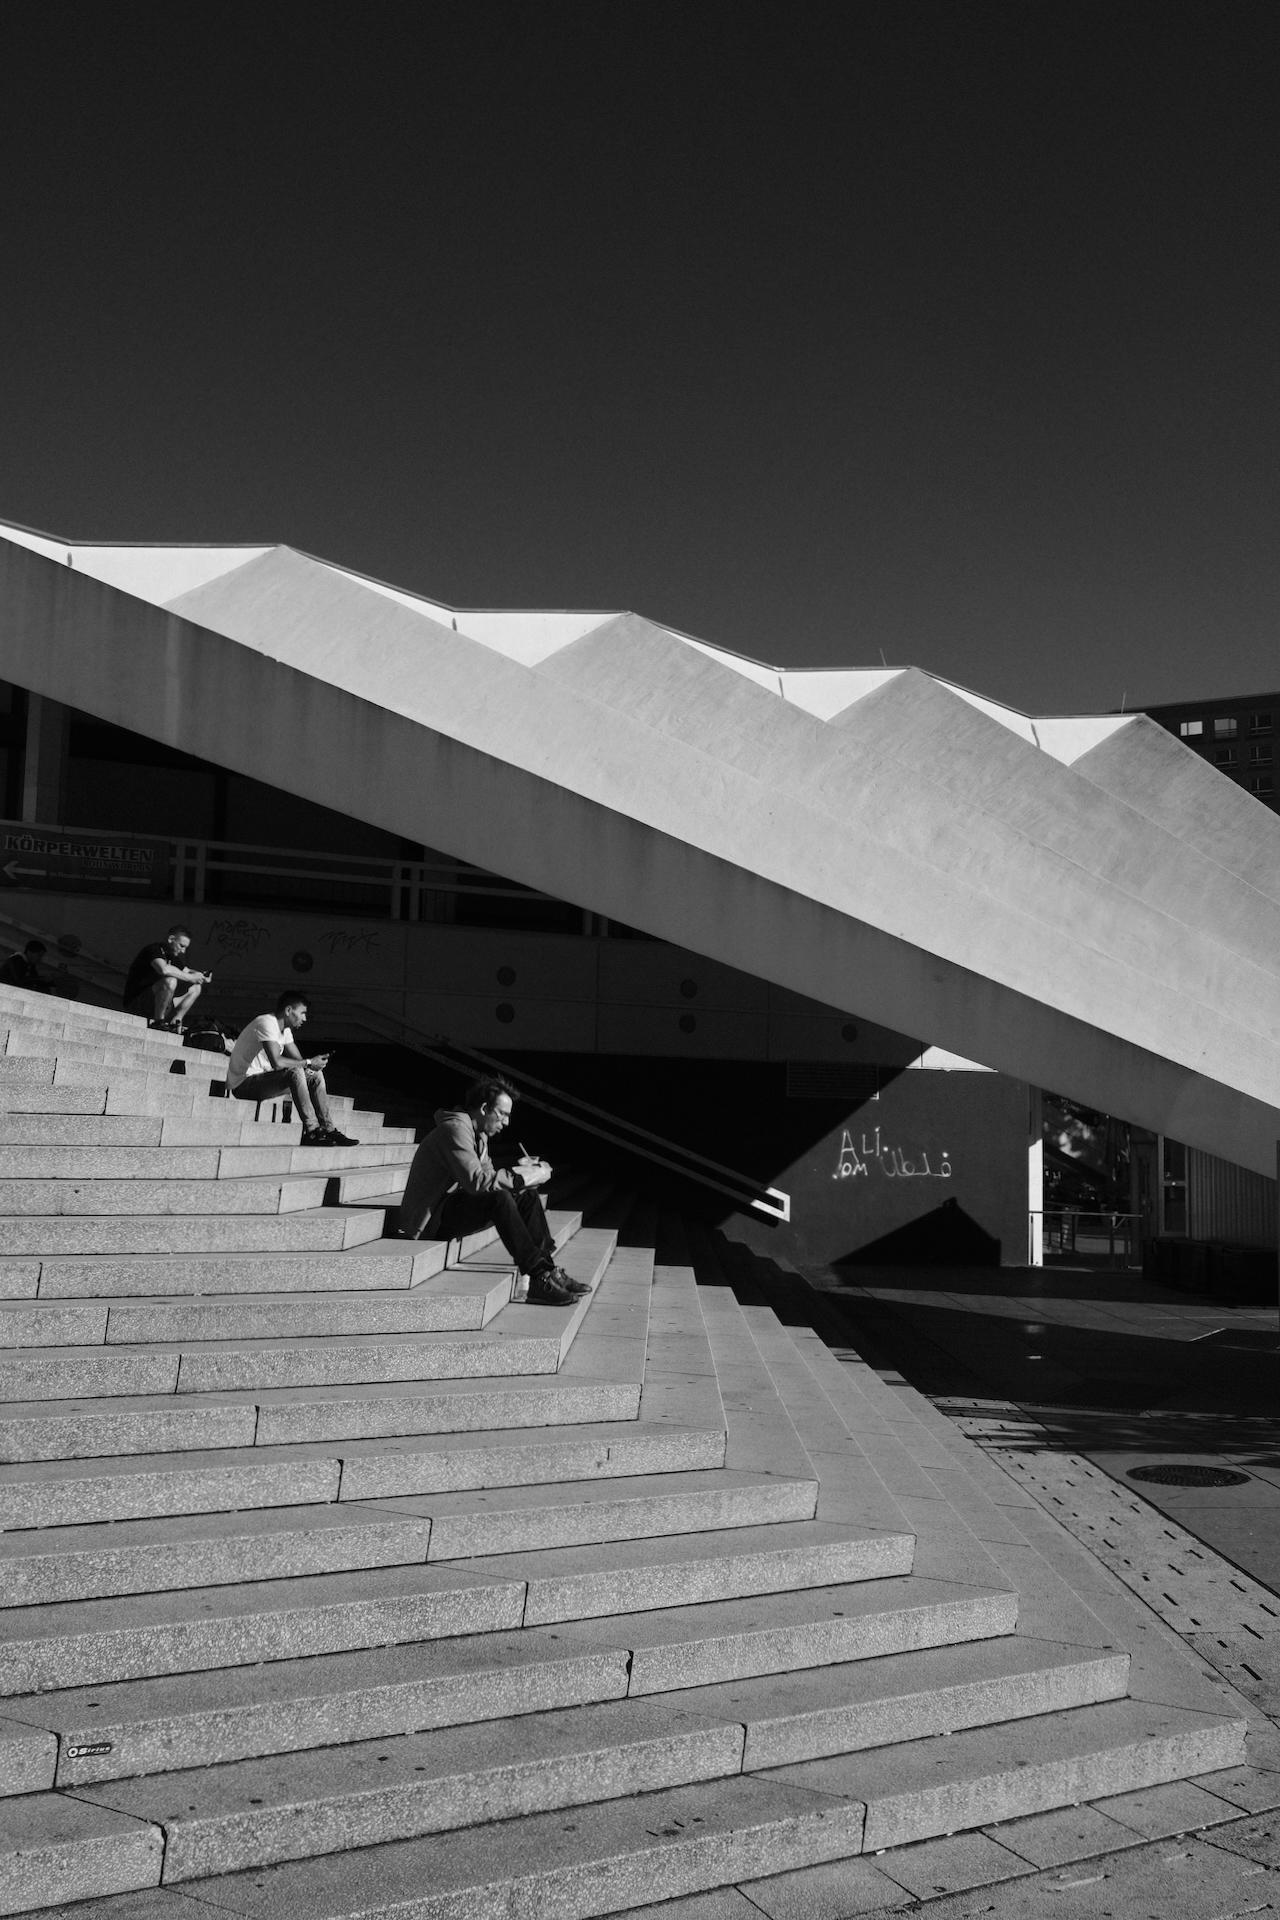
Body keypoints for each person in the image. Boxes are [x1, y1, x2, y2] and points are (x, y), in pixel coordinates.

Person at [398, 1075, 588, 1305]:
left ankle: (548, 1270)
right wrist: (521, 1177)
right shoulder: (455, 1129)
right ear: (485, 1108)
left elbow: (488, 1176)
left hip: (452, 1206)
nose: (506, 1122)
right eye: (503, 1114)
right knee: (500, 1199)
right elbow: (478, 1183)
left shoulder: (479, 1135)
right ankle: (539, 1277)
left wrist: (524, 1180)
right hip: (430, 1220)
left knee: (525, 1195)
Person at [226, 991, 358, 1147]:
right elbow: (277, 1062)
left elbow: (299, 1060)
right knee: (295, 1071)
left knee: (314, 1074)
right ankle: (312, 1130)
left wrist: (312, 1066)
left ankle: (328, 1128)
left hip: (264, 1080)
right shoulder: (266, 1023)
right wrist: (308, 1063)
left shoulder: (285, 1030)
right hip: (242, 1084)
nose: (305, 1018)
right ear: (288, 1011)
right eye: (302, 1013)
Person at [122, 925, 211, 1029]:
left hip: (158, 1004)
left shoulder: (172, 957)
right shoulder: (153, 950)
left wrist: (201, 976)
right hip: (137, 1003)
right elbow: (163, 969)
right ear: (171, 939)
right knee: (170, 981)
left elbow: (187, 971)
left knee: (195, 987)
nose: (183, 951)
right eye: (181, 946)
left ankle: (175, 1022)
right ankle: (158, 1021)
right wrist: (190, 978)